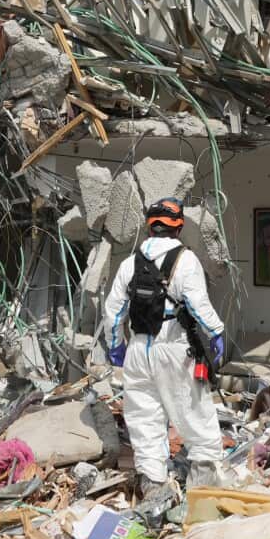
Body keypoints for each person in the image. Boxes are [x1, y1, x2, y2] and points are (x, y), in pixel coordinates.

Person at [102, 197, 227, 497]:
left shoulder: (130, 263)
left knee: (144, 418)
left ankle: (155, 488)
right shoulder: (186, 260)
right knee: (194, 412)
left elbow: (113, 311)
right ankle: (203, 489)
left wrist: (115, 345)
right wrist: (217, 333)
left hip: (138, 348)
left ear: (149, 225)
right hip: (174, 346)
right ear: (179, 226)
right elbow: (199, 306)